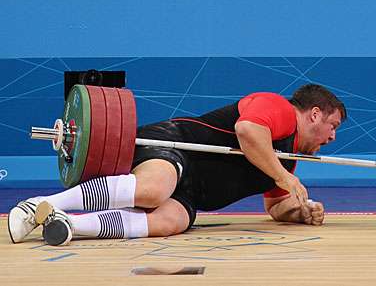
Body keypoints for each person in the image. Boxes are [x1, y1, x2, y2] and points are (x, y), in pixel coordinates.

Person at [8, 83, 346, 246]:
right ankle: (40, 204)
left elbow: (275, 208)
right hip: (172, 144)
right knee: (154, 190)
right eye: (333, 126)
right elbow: (247, 131)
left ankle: (68, 225)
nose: (332, 137)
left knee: (170, 221)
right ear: (314, 114)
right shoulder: (280, 110)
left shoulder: (285, 160)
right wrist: (285, 178)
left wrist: (299, 211)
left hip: (192, 192)